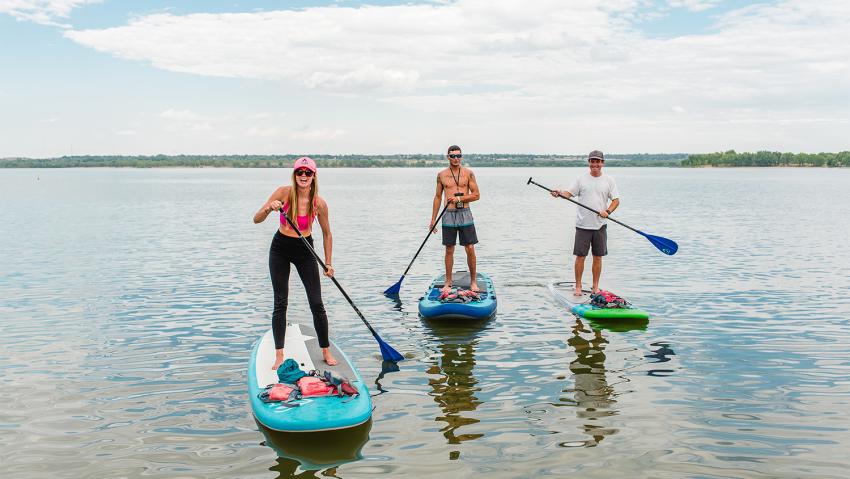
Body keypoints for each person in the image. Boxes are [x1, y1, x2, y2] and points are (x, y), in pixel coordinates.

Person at [253, 157, 338, 369]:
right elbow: (256, 219)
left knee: (316, 303)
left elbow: (327, 234)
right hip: (280, 248)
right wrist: (269, 209)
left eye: (307, 173)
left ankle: (325, 351)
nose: (303, 176)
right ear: (294, 175)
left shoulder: (319, 203)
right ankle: (279, 355)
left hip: (304, 249)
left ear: (313, 176)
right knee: (280, 302)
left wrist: (328, 263)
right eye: (299, 172)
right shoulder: (283, 193)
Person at [551, 150, 620, 296]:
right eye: (592, 161)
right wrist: (559, 193)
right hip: (583, 225)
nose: (595, 164)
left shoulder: (609, 180)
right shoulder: (581, 179)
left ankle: (595, 287)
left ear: (602, 163)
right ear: (589, 162)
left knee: (598, 257)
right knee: (580, 256)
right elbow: (568, 194)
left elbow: (616, 200)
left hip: (600, 224)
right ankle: (578, 287)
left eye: (598, 161)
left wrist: (607, 212)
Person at [430, 145, 481, 293]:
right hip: (448, 215)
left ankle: (473, 282)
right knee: (449, 249)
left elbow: (476, 195)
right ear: (448, 157)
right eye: (453, 156)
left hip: (465, 213)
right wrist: (433, 220)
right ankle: (448, 282)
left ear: (461, 156)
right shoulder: (441, 175)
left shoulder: (468, 173)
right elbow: (438, 197)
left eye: (458, 155)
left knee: (470, 248)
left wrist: (460, 198)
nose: (456, 158)